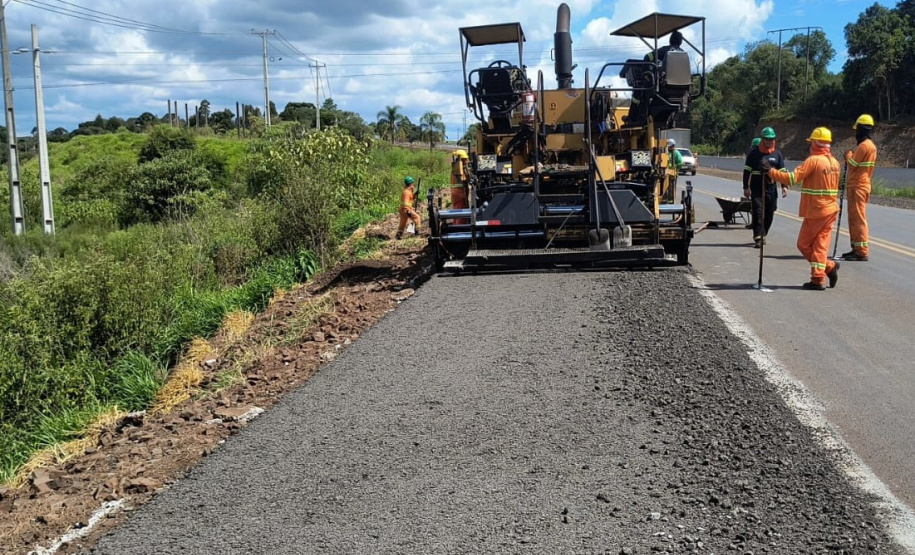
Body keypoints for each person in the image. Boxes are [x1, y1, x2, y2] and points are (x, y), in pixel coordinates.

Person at [763, 127, 841, 290]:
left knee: (804, 244)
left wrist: (771, 172)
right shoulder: (835, 163)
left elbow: (792, 178)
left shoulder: (813, 161)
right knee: (820, 245)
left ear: (815, 143)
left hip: (817, 211)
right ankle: (822, 274)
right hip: (831, 210)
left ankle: (825, 270)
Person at [743, 127, 786, 248]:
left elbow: (782, 171)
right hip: (756, 187)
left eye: (771, 139)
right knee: (758, 212)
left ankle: (764, 233)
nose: (769, 141)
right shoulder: (754, 154)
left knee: (769, 213)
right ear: (762, 139)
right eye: (767, 139)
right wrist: (746, 187)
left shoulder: (777, 154)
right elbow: (747, 171)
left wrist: (784, 186)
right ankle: (758, 237)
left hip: (771, 188)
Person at [841, 114, 876, 261]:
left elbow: (853, 164)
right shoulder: (870, 146)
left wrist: (848, 154)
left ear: (861, 129)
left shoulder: (864, 146)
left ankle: (861, 251)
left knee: (858, 219)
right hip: (858, 186)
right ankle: (855, 248)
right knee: (854, 219)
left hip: (858, 186)